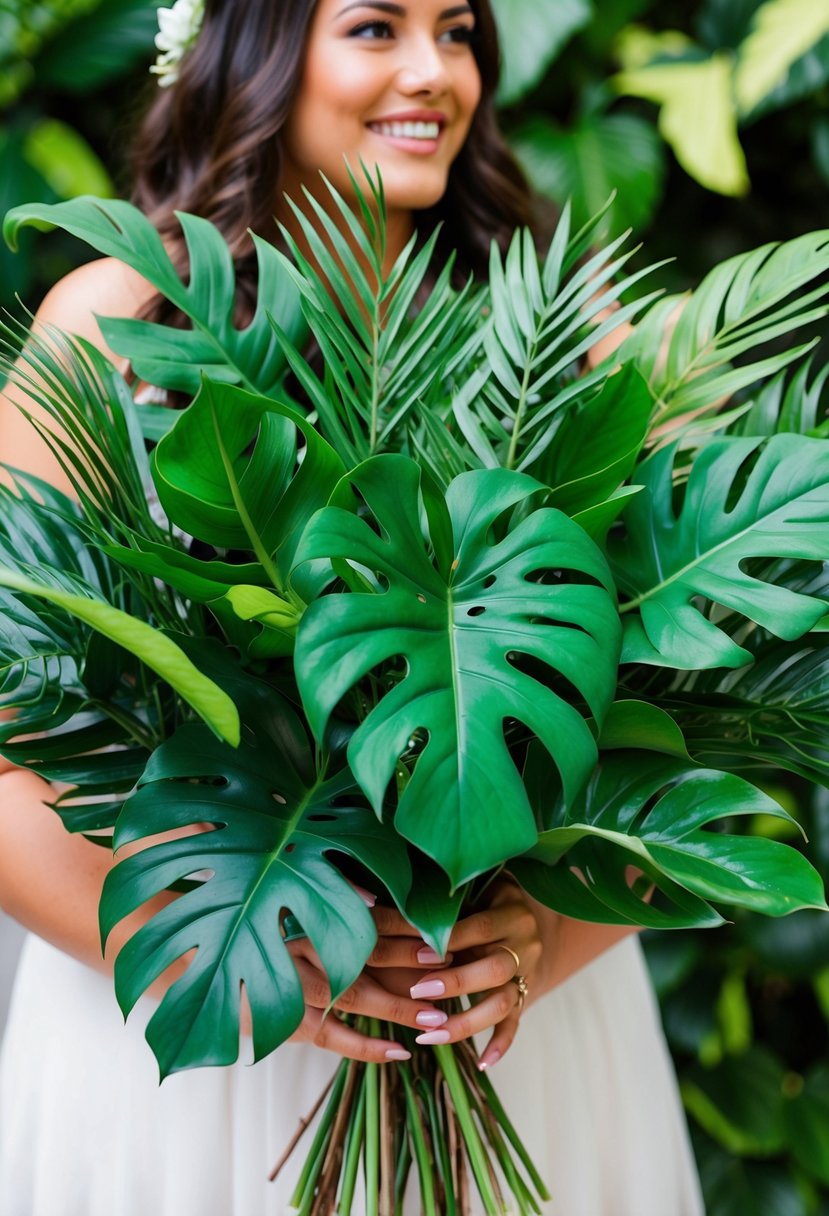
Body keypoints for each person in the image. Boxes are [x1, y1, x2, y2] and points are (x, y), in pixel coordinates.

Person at [0, 2, 705, 1213]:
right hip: (201, 1034)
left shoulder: (568, 339)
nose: (434, 73)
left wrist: (539, 934)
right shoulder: (116, 326)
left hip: (510, 1047)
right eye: (375, 27)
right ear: (254, 45)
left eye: (460, 29)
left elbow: (681, 734)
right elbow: (10, 755)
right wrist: (231, 958)